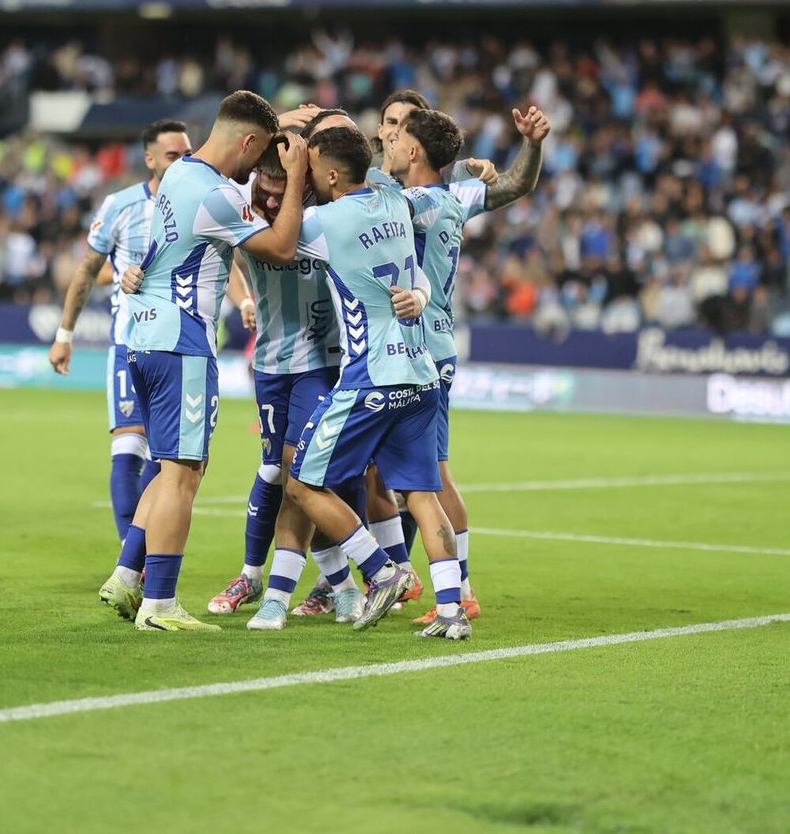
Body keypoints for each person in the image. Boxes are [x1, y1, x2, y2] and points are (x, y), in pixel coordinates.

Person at [248, 125, 472, 640]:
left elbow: (278, 241)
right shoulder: (396, 202)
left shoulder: (323, 222)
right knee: (422, 495)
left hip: (369, 380)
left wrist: (294, 171)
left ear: (330, 175)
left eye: (314, 168)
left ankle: (380, 570)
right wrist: (420, 294)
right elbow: (417, 265)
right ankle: (452, 610)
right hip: (421, 375)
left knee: (302, 483)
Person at [98, 91, 309, 632]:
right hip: (182, 342)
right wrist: (296, 174)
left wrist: (282, 123)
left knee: (170, 467)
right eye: (258, 153)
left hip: (142, 337)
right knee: (183, 474)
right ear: (248, 141)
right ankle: (160, 604)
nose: (257, 168)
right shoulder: (219, 196)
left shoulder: (178, 174)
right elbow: (282, 247)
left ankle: (127, 573)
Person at [381, 104, 549, 624]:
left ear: (414, 149)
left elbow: (358, 203)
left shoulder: (409, 203)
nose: (389, 140)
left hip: (419, 350)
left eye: (396, 135)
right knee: (411, 473)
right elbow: (518, 184)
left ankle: (442, 586)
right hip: (435, 345)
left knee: (425, 476)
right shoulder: (453, 198)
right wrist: (531, 145)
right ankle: (412, 578)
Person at [206, 129, 350, 619]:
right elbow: (220, 256)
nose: (268, 198)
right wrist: (244, 298)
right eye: (262, 187)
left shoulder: (322, 221)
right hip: (269, 366)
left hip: (321, 363)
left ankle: (291, 593)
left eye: (277, 188)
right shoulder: (245, 216)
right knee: (274, 470)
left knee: (299, 474)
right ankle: (263, 577)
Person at [50, 120, 193, 542]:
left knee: (170, 459)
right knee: (129, 448)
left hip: (182, 346)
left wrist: (244, 302)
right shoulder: (120, 205)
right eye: (172, 155)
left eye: (187, 154)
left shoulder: (202, 203)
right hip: (129, 343)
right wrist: (64, 335)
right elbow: (86, 271)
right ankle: (130, 558)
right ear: (149, 159)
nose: (182, 163)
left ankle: (137, 557)